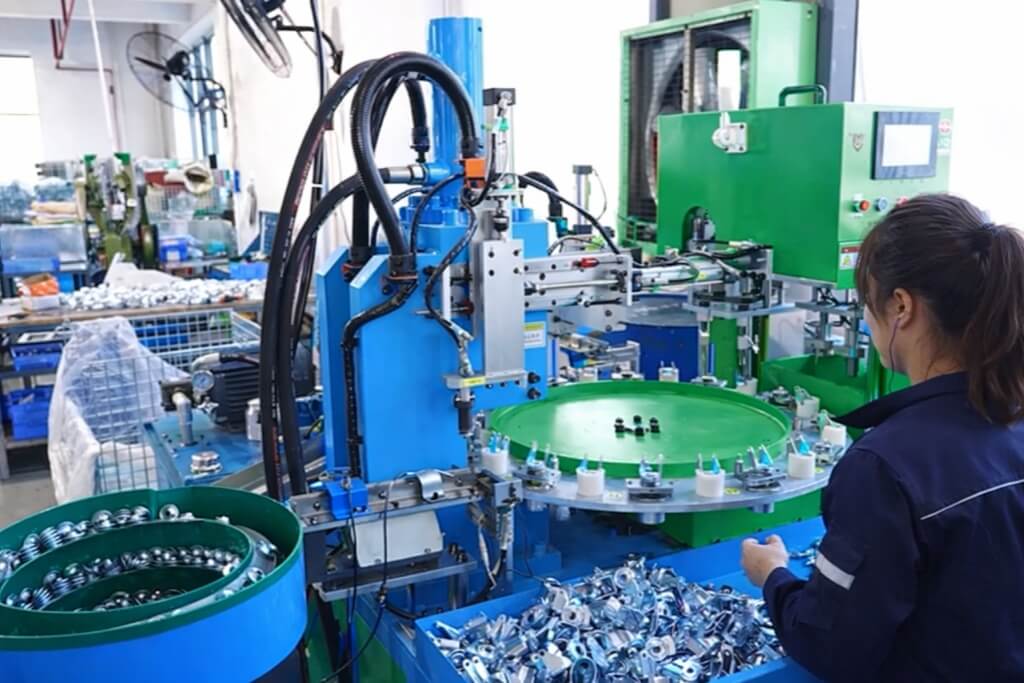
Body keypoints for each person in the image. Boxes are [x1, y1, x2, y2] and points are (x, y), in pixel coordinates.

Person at [739, 194, 1024, 681]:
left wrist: (773, 575)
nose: (866, 321)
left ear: (900, 306)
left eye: (866, 302)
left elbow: (830, 645)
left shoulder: (886, 467)